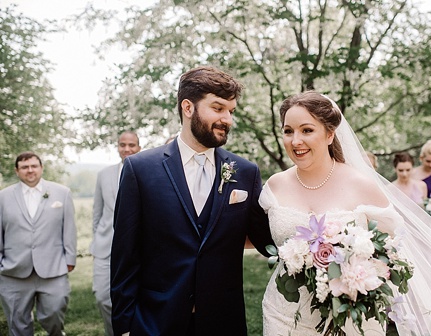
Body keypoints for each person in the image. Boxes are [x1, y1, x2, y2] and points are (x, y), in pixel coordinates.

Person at [259, 91, 431, 335]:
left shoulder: (362, 185)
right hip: (284, 315)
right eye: (288, 131)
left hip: (350, 318)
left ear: (330, 134)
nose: (295, 140)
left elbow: (392, 253)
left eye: (307, 130)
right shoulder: (274, 186)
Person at [110, 66, 274, 336]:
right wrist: (125, 327)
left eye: (231, 111)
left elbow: (269, 242)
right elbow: (125, 256)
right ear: (188, 107)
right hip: (156, 321)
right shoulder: (140, 169)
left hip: (223, 323)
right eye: (218, 108)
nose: (228, 119)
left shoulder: (245, 172)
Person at [0, 152, 77, 335]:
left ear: (41, 168)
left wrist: (70, 258)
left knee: (54, 313)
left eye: (34, 166)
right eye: (25, 167)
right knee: (17, 323)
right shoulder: (3, 197)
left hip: (54, 268)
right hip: (13, 270)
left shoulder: (62, 193)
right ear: (17, 171)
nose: (30, 170)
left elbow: (69, 228)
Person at [90, 131, 141, 336]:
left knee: (135, 298)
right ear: (117, 147)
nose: (126, 149)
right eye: (122, 145)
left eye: (131, 145)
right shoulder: (104, 174)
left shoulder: (145, 171)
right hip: (105, 248)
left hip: (136, 249)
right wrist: (98, 239)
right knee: (103, 298)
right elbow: (97, 213)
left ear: (139, 147)